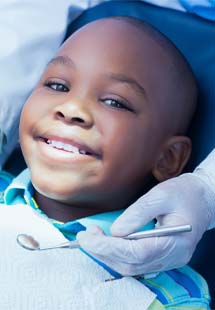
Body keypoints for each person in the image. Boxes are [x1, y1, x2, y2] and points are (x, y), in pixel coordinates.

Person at [0, 17, 211, 309]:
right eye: (58, 85)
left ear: (168, 158)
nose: (72, 109)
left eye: (114, 102)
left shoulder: (172, 296)